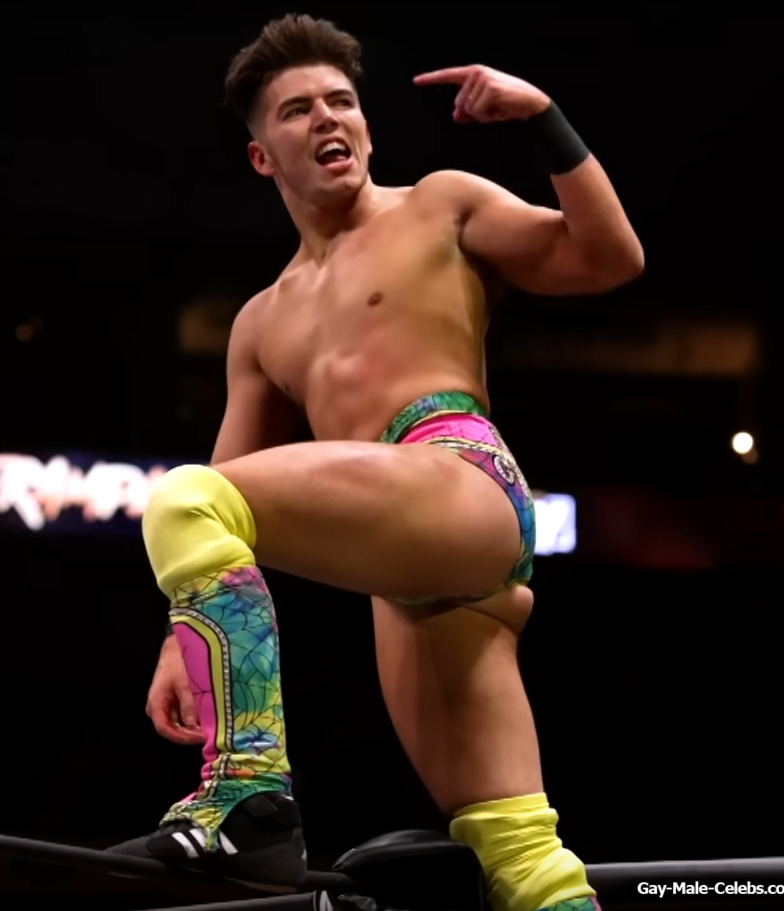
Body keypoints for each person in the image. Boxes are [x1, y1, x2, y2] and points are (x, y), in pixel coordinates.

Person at [110, 13, 644, 911]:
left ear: (365, 126)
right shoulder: (262, 321)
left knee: (181, 499)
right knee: (518, 853)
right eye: (298, 109)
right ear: (262, 157)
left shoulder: (439, 203)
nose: (328, 117)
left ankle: (246, 794)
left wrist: (541, 116)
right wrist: (182, 640)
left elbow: (608, 257)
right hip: (409, 578)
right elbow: (231, 482)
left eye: (342, 101)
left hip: (459, 476)